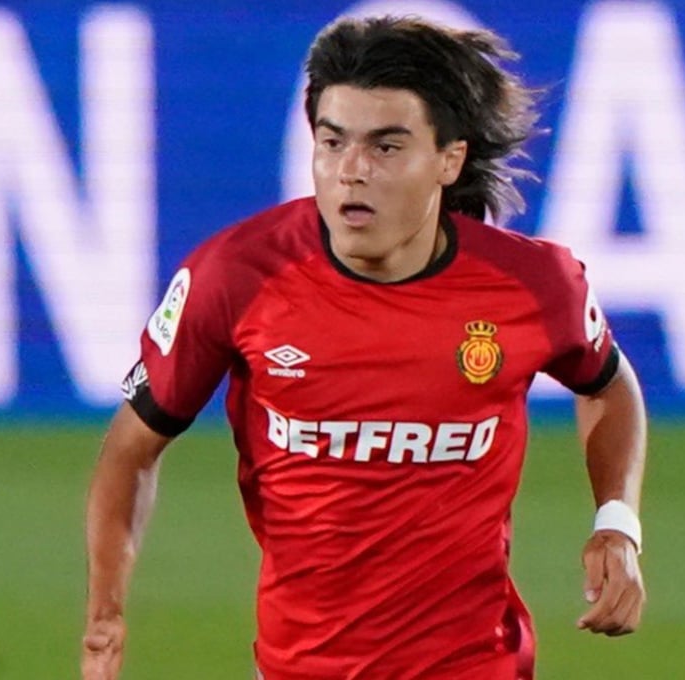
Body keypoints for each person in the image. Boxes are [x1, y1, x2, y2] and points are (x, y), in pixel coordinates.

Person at [83, 15, 647, 680]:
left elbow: (608, 385)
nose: (351, 171)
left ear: (449, 159)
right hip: (297, 668)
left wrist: (618, 522)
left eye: (386, 147)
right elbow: (132, 448)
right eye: (332, 142)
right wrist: (105, 611)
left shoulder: (532, 285)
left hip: (477, 664)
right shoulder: (236, 277)